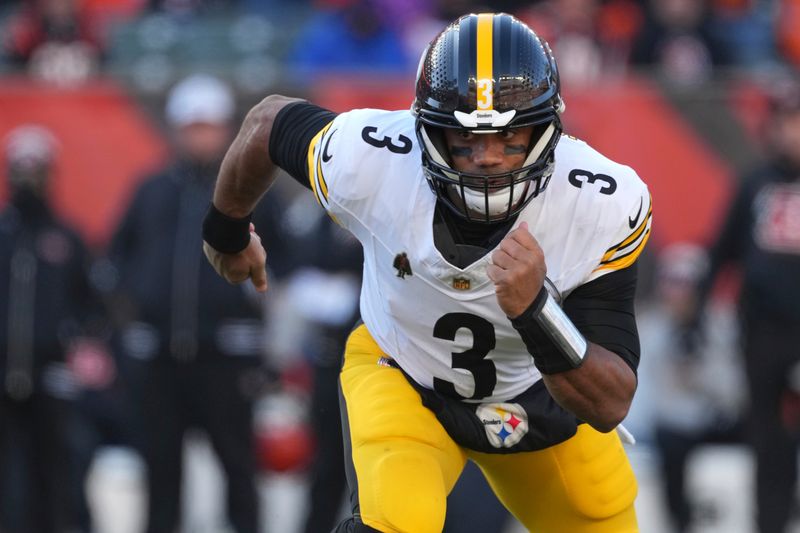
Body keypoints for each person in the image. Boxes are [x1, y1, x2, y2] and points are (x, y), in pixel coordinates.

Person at [203, 12, 652, 532]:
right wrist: (226, 232)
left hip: (535, 394)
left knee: (603, 515)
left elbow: (611, 401)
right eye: (464, 140)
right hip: (404, 373)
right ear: (426, 131)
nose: (486, 158)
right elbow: (268, 122)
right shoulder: (371, 156)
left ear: (547, 130)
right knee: (398, 521)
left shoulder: (600, 202)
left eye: (510, 138)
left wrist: (537, 311)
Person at [105, 74, 291, 533]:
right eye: (192, 126)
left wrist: (265, 331)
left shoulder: (255, 192)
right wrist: (131, 325)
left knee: (238, 468)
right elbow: (117, 260)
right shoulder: (150, 190)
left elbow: (286, 265)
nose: (200, 135)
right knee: (161, 473)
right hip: (160, 356)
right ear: (175, 129)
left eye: (208, 126)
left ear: (226, 129)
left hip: (228, 356)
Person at [685, 79, 800, 533]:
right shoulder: (754, 182)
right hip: (764, 333)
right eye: (786, 122)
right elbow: (721, 252)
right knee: (768, 440)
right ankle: (768, 524)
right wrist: (695, 317)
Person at [0, 124, 96, 533]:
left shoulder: (68, 236)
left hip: (52, 373)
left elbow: (93, 303)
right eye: (20, 168)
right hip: (3, 372)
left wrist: (81, 344)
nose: (28, 179)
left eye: (36, 169)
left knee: (56, 472)